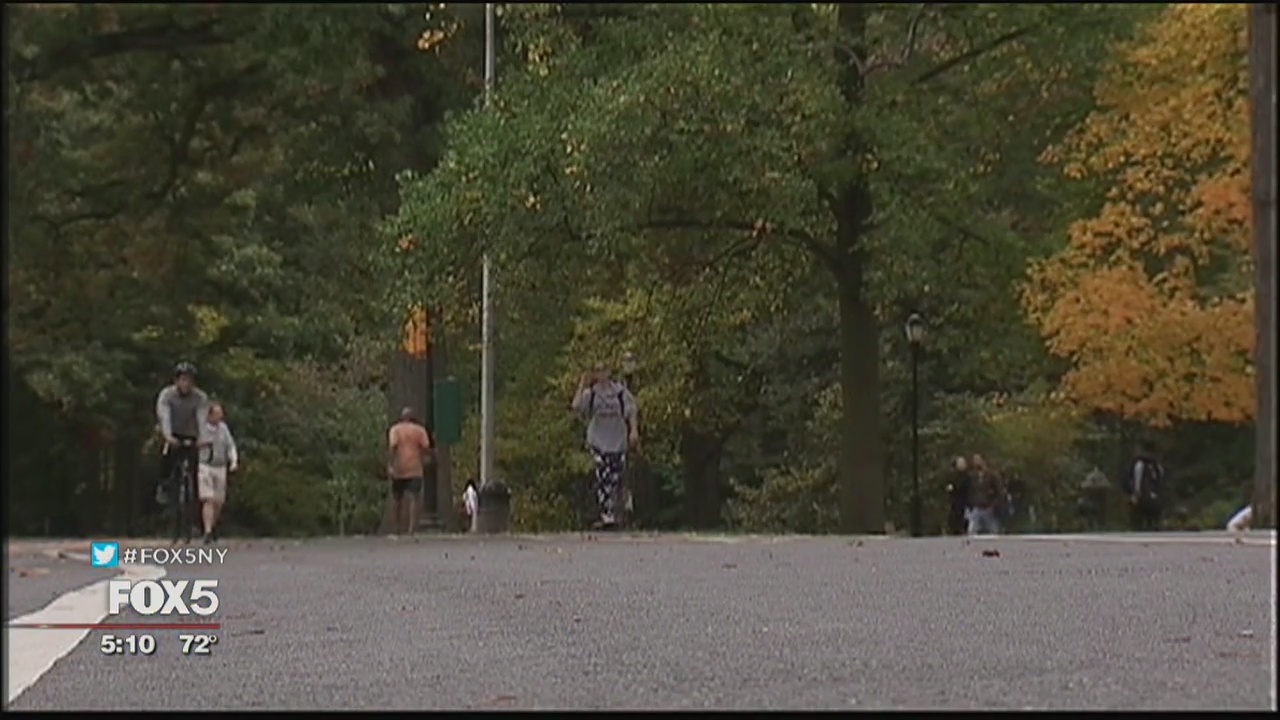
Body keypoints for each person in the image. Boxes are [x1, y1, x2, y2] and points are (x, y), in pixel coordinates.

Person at [571, 362, 639, 529]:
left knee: (616, 477)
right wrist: (582, 383)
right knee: (603, 474)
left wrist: (634, 431)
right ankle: (607, 514)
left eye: (603, 370)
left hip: (617, 440)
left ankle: (619, 510)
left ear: (609, 371)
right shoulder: (591, 394)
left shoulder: (620, 392)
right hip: (598, 441)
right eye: (597, 371)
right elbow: (576, 406)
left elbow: (631, 410)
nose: (601, 374)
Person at [156, 362, 210, 537]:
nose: (186, 384)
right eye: (183, 380)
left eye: (189, 381)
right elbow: (164, 416)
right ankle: (164, 486)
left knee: (193, 469)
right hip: (173, 433)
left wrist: (203, 438)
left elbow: (202, 418)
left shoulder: (200, 398)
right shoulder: (167, 395)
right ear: (176, 381)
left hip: (191, 434)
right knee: (167, 456)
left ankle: (192, 507)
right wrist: (168, 436)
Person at [197, 402, 238, 544]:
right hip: (205, 465)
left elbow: (230, 445)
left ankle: (212, 526)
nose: (219, 416)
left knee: (219, 501)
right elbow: (195, 444)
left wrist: (233, 461)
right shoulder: (201, 428)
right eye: (216, 413)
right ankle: (207, 531)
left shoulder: (223, 429)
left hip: (220, 466)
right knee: (209, 498)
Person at [387, 407, 432, 536]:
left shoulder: (395, 430)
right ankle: (412, 529)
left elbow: (393, 447)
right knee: (414, 498)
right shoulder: (419, 430)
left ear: (402, 417)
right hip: (415, 468)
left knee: (397, 499)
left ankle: (397, 529)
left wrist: (390, 464)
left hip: (399, 468)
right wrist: (428, 458)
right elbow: (426, 448)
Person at [1124, 442, 1165, 531]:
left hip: (1153, 497)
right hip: (1143, 497)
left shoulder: (1157, 467)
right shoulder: (1140, 465)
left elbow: (1160, 481)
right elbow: (1137, 482)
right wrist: (1135, 494)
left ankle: (1152, 525)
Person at [966, 454, 1003, 536]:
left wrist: (994, 504)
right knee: (972, 531)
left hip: (988, 507)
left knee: (993, 531)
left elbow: (999, 491)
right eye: (974, 460)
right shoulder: (972, 476)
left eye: (978, 460)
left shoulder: (992, 475)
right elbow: (970, 491)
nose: (976, 462)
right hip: (976, 507)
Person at [945, 456, 971, 535]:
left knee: (962, 521)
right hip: (955, 503)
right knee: (953, 520)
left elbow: (963, 487)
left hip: (964, 502)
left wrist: (954, 487)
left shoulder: (967, 476)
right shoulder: (954, 476)